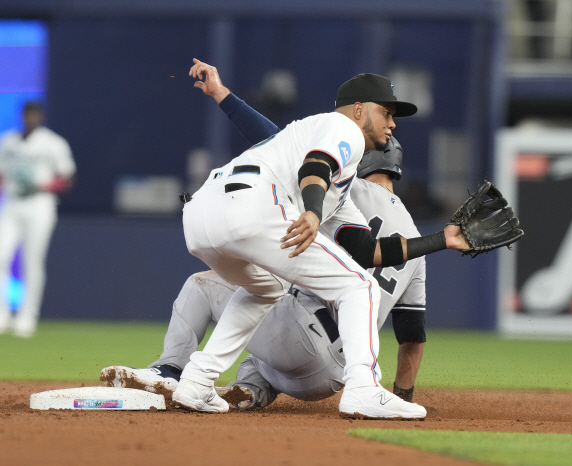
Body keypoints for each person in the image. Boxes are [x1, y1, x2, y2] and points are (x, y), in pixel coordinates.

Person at [168, 59, 474, 419]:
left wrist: (444, 239)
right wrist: (312, 212)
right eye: (386, 112)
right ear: (359, 110)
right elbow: (317, 165)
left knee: (263, 289)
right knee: (361, 288)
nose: (392, 123)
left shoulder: (338, 191)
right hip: (250, 208)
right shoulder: (342, 128)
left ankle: (197, 381)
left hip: (201, 213)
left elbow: (366, 250)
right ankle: (362, 388)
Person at [102, 137, 432, 409]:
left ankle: (169, 369)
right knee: (259, 344)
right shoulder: (416, 243)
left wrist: (225, 98)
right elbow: (412, 337)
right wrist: (401, 397)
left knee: (203, 286)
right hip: (335, 377)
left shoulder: (343, 190)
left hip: (302, 340)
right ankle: (249, 391)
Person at [0, 102, 76, 337]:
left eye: (35, 115)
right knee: (1, 255)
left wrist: (46, 185)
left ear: (41, 117)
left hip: (40, 203)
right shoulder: (9, 140)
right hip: (13, 201)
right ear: (22, 116)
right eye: (28, 115)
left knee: (32, 261)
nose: (31, 118)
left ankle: (27, 316)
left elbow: (67, 177)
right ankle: (2, 315)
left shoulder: (53, 142)